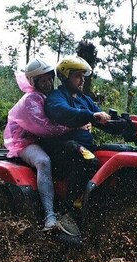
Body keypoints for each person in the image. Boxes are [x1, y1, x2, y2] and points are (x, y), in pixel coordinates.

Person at [3, 58, 71, 231]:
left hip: (42, 139)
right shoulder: (31, 99)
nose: (48, 83)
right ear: (34, 81)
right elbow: (44, 128)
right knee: (43, 161)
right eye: (43, 80)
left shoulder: (49, 96)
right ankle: (50, 216)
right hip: (24, 141)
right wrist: (72, 126)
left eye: (49, 79)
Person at [42, 55, 111, 211]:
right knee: (89, 161)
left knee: (118, 152)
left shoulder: (83, 99)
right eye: (77, 76)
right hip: (61, 148)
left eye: (83, 76)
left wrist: (128, 125)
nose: (82, 80)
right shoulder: (56, 97)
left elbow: (103, 119)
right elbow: (63, 112)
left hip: (83, 146)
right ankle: (69, 208)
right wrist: (91, 116)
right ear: (65, 77)